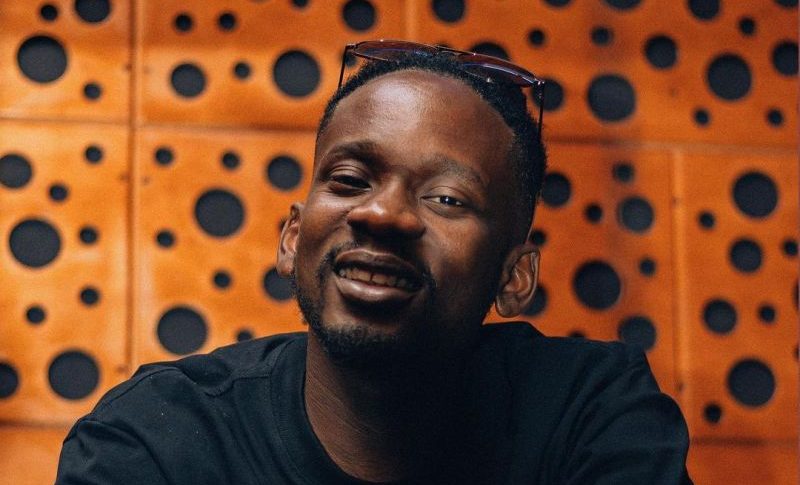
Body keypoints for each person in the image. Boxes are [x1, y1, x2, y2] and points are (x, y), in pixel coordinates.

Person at [56, 40, 692, 484]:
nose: (383, 214)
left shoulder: (587, 414)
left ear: (513, 276)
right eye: (350, 180)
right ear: (292, 238)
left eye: (446, 198)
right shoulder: (155, 438)